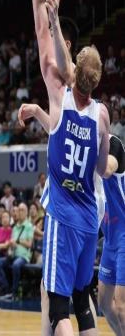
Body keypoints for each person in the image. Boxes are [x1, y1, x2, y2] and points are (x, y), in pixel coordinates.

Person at [29, 0, 110, 336]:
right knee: (80, 301)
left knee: (58, 304)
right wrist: (38, 113)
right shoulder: (103, 115)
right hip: (90, 213)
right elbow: (101, 166)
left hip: (65, 213)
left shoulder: (59, 89)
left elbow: (41, 30)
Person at [97, 134, 125, 335]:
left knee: (121, 306)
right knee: (104, 304)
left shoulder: (113, 143)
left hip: (124, 235)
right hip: (109, 239)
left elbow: (107, 170)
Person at [0, 202, 34, 301]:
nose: (20, 212)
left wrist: (18, 241)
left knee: (16, 265)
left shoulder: (29, 226)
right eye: (19, 210)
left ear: (26, 212)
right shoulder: (15, 227)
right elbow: (12, 242)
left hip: (24, 256)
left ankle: (14, 292)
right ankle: (6, 288)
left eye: (22, 210)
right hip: (13, 254)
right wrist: (11, 247)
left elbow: (30, 244)